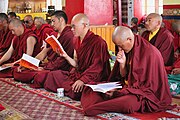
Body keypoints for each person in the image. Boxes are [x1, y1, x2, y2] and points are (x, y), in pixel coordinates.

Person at [81, 26, 173, 116]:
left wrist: (121, 91)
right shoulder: (127, 50)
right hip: (126, 88)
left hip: (144, 94)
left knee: (128, 103)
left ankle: (96, 107)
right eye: (117, 46)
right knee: (89, 89)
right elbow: (123, 76)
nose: (119, 49)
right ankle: (102, 103)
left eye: (120, 46)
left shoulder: (149, 53)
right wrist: (122, 64)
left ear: (129, 39)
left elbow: (145, 88)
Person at [43, 13, 111, 100]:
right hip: (80, 74)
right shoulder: (76, 40)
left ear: (85, 25)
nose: (72, 29)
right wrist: (65, 56)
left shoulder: (98, 42)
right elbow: (77, 64)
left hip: (93, 77)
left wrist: (83, 80)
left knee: (81, 91)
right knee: (52, 76)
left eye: (74, 26)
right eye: (71, 26)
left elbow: (97, 67)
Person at [13, 11, 74, 87]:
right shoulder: (53, 34)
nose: (51, 24)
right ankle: (36, 78)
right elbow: (43, 53)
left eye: (53, 21)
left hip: (59, 69)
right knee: (18, 71)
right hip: (49, 65)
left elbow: (64, 61)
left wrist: (44, 68)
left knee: (43, 75)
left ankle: (37, 78)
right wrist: (30, 65)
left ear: (61, 20)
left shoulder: (69, 36)